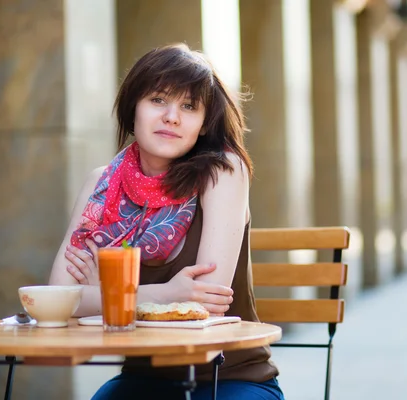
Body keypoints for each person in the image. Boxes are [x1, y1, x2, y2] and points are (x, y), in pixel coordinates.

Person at [48, 43, 284, 400]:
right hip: (142, 380)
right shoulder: (101, 185)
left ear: (205, 124)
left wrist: (105, 296)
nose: (172, 116)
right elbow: (56, 301)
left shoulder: (222, 172)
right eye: (158, 100)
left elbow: (204, 305)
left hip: (228, 378)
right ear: (133, 111)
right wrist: (166, 294)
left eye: (189, 106)